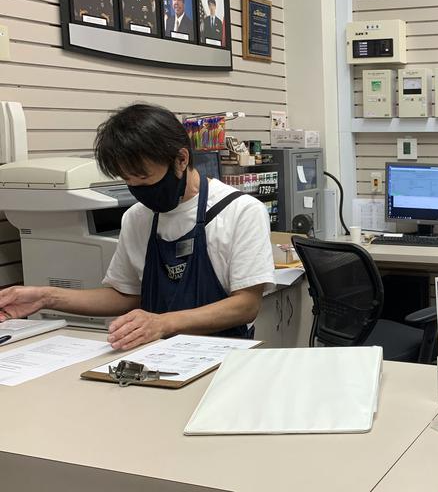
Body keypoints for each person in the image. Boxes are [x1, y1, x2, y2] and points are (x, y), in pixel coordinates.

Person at [0, 104, 275, 351]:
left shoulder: (240, 210)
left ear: (181, 159)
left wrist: (163, 323)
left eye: (144, 177)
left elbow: (245, 305)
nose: (139, 190)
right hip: (153, 355)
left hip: (224, 354)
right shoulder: (137, 217)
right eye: (129, 180)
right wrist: (45, 297)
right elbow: (124, 295)